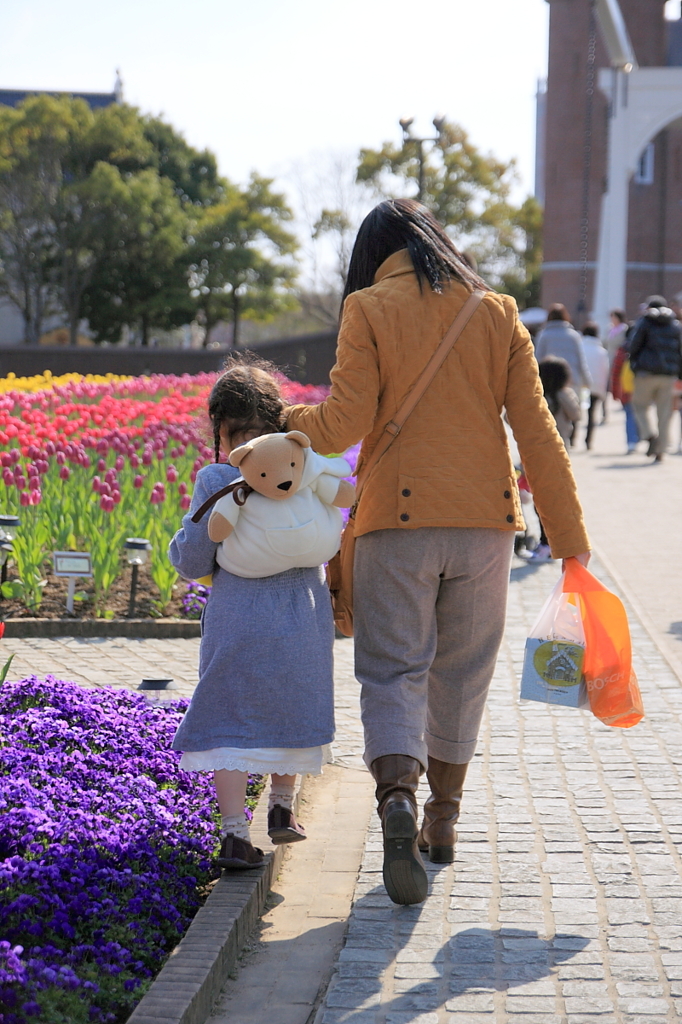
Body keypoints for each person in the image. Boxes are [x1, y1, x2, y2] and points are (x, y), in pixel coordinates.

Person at [284, 198, 590, 906]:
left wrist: (284, 418)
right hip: (485, 526)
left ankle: (397, 797)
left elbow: (340, 425)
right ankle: (443, 823)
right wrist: (570, 543)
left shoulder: (368, 308)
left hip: (397, 519)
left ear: (375, 255)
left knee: (393, 671)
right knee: (462, 674)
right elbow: (538, 435)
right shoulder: (496, 311)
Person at [168, 356, 336, 870]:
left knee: (228, 724)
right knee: (293, 710)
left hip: (239, 620)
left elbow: (194, 558)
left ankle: (236, 835)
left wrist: (181, 545)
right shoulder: (304, 471)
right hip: (305, 615)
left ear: (220, 426)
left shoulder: (220, 476)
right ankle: (283, 809)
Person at [529, 357, 582, 562]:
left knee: (539, 501)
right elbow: (576, 414)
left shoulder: (535, 395)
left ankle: (547, 543)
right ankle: (549, 543)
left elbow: (510, 417)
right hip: (560, 454)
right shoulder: (565, 394)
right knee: (554, 500)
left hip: (535, 454)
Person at [627, 294, 682, 463]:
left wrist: (634, 364)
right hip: (668, 374)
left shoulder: (644, 322)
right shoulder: (675, 325)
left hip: (646, 373)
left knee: (639, 406)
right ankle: (661, 450)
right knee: (664, 413)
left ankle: (650, 436)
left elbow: (634, 345)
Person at [534, 304, 593, 398]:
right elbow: (581, 361)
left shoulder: (543, 335)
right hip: (572, 381)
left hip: (549, 382)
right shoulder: (574, 336)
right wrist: (587, 381)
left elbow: (537, 360)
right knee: (572, 410)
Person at [581, 322, 610, 450]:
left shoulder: (580, 346)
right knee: (591, 414)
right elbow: (605, 371)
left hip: (581, 385)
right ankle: (588, 440)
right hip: (596, 386)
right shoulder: (602, 351)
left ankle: (572, 437)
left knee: (575, 410)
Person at [610, 342, 639, 454]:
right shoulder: (645, 349)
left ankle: (631, 442)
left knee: (629, 415)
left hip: (626, 391)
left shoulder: (621, 352)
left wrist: (615, 393)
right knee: (641, 414)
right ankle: (640, 438)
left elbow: (615, 373)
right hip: (640, 389)